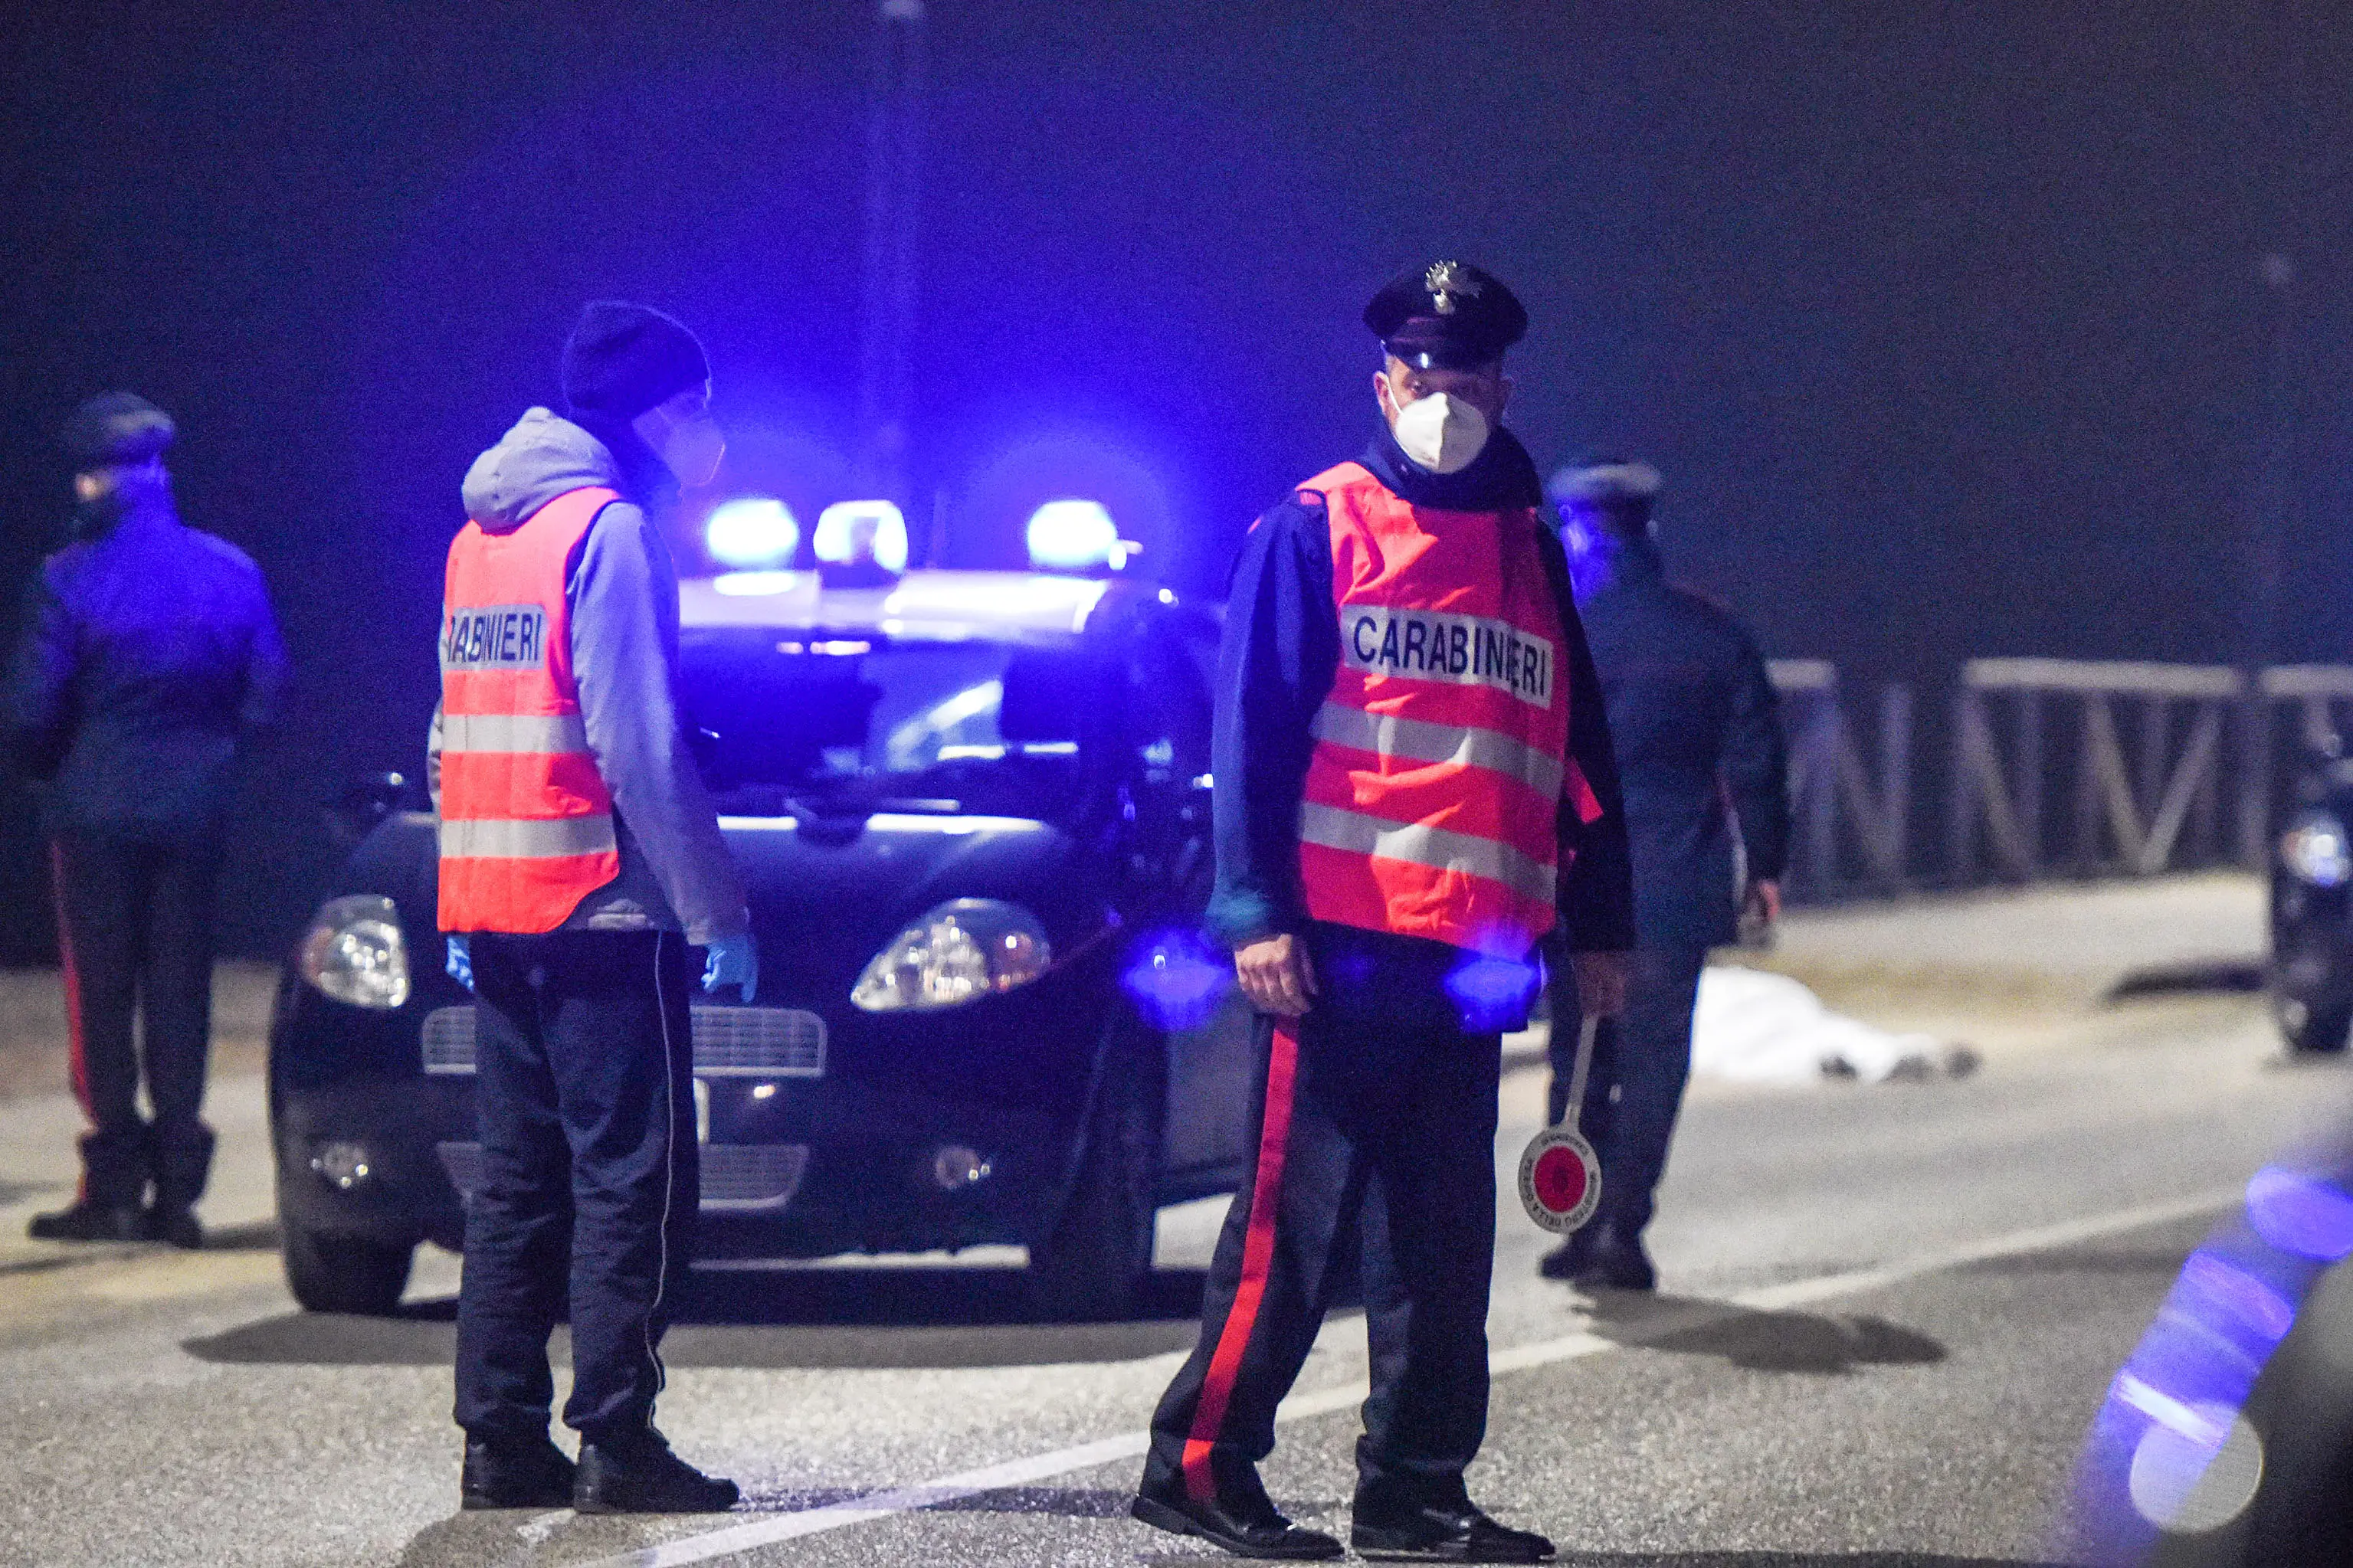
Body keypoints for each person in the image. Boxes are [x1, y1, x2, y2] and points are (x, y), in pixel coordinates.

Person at [1132, 262, 1635, 1564]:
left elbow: (1574, 753)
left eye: (1466, 375)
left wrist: (1603, 925)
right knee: (1290, 1231)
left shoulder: (1527, 546)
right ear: (1383, 382)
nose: (1444, 396)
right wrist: (1253, 910)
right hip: (1336, 946)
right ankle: (1197, 1462)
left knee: (1441, 1244)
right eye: (1421, 372)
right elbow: (1247, 734)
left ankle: (1413, 1491)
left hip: (1470, 960)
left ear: (1501, 386)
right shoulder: (1317, 526)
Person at [435, 302, 759, 1514]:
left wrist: (459, 902)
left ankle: (498, 1438)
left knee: (517, 1182)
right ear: (662, 412)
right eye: (704, 407)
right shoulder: (609, 529)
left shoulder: (484, 532)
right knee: (634, 1178)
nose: (711, 431)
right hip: (604, 910)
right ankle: (617, 1439)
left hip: (501, 900)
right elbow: (639, 741)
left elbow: (451, 730)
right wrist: (712, 904)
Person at [6, 394, 286, 1249]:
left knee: (101, 999)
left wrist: (50, 772)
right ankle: (179, 1195)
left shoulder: (68, 577)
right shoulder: (231, 569)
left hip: (93, 815)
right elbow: (268, 693)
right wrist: (209, 756)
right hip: (195, 813)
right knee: (180, 995)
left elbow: (30, 712)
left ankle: (114, 1185)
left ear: (95, 479)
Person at [1538, 457, 1790, 1291]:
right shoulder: (1711, 634)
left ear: (1584, 534)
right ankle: (1620, 1229)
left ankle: (1573, 1224)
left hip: (1573, 884)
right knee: (1652, 1062)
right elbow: (1756, 761)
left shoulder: (1557, 631)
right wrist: (1766, 868)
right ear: (1647, 531)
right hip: (1677, 885)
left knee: (1580, 1055)